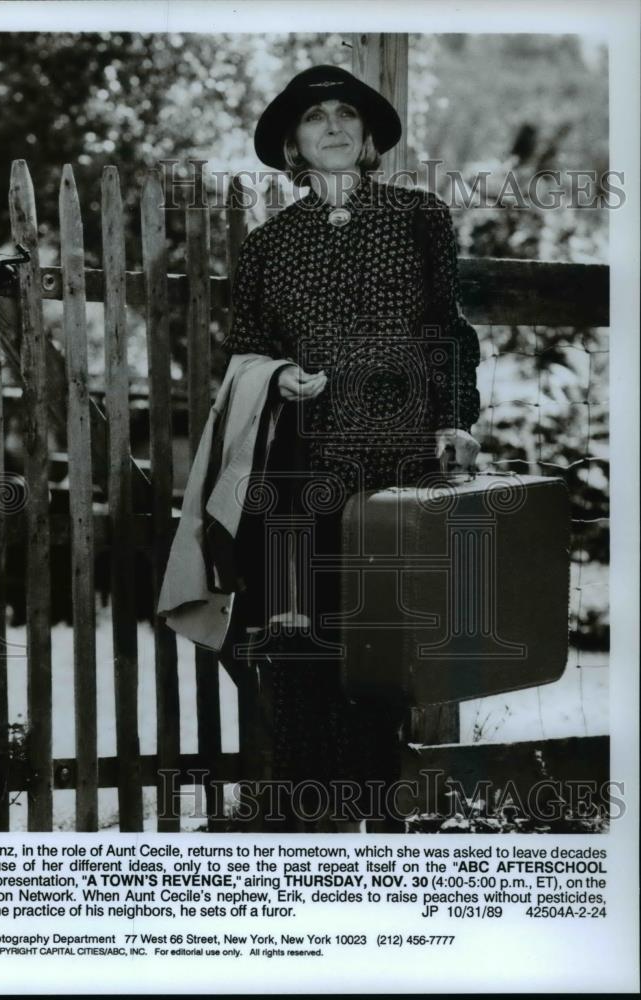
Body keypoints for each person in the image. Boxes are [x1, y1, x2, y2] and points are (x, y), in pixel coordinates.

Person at [220, 64, 482, 832]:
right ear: (292, 145)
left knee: (383, 641)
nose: (331, 126)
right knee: (298, 635)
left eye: (345, 113)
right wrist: (280, 377)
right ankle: (311, 816)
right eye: (313, 118)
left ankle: (377, 815)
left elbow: (447, 330)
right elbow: (244, 354)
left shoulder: (418, 216)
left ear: (367, 137)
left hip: (398, 465)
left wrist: (455, 418)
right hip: (303, 464)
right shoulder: (268, 244)